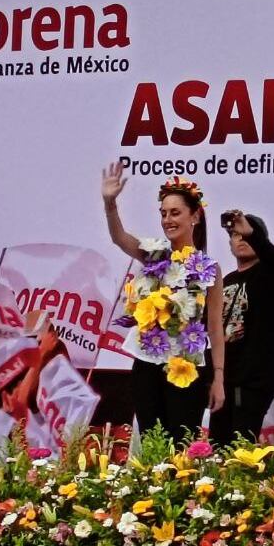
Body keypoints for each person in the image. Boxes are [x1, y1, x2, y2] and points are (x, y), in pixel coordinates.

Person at [101, 162, 225, 441]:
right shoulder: (154, 255)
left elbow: (215, 328)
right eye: (163, 213)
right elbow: (120, 238)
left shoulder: (209, 268)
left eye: (175, 212)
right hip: (148, 363)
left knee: (181, 444)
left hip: (187, 366)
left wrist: (218, 378)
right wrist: (110, 203)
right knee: (152, 443)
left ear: (195, 216)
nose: (168, 219)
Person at [210, 210, 274, 446]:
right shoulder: (226, 280)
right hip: (222, 381)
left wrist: (251, 232)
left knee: (240, 452)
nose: (241, 239)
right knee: (217, 450)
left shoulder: (269, 272)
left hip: (252, 381)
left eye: (246, 234)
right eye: (235, 235)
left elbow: (272, 255)